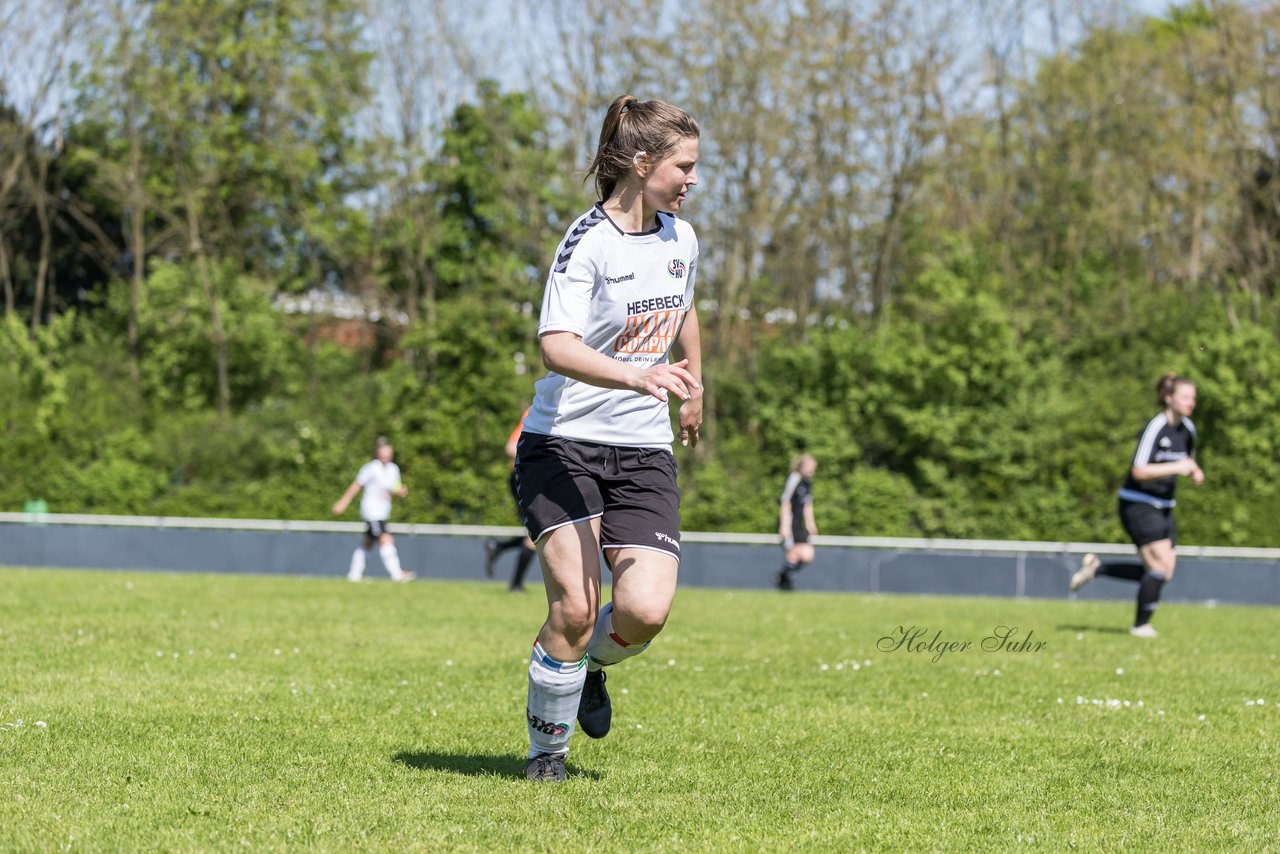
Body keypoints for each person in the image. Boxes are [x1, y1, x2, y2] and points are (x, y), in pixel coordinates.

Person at [516, 94, 703, 783]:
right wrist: (635, 377)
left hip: (644, 450)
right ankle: (547, 757)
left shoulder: (681, 238)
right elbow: (554, 347)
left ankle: (592, 666)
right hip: (563, 443)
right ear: (642, 162)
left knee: (645, 610)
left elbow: (682, 311)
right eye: (684, 166)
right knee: (573, 605)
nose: (692, 180)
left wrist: (693, 388)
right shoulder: (587, 242)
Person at [1070, 373, 1204, 636]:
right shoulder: (1156, 426)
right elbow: (1138, 471)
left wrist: (1194, 471)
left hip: (1165, 505)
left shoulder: (1188, 429)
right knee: (1159, 567)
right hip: (1138, 503)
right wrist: (1176, 467)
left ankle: (1099, 567)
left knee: (1163, 571)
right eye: (1186, 397)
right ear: (1169, 398)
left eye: (1194, 398)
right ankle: (1141, 626)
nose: (1191, 403)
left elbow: (1188, 461)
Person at [331, 436, 416, 583]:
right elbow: (356, 485)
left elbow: (393, 488)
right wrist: (343, 502)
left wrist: (400, 491)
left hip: (383, 512)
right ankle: (397, 575)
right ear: (377, 452)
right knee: (386, 539)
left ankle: (354, 575)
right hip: (372, 512)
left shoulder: (393, 469)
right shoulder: (371, 468)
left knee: (368, 543)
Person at [484, 407, 539, 591]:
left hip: (537, 480)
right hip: (527, 478)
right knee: (537, 531)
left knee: (541, 531)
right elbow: (510, 447)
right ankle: (516, 585)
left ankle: (499, 547)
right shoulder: (537, 409)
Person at [775, 454, 818, 591]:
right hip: (790, 522)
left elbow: (807, 505)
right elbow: (785, 502)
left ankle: (783, 577)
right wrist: (784, 525)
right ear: (802, 466)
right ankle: (785, 582)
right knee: (796, 553)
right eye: (810, 467)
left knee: (806, 555)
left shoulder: (807, 482)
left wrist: (811, 524)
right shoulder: (794, 479)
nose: (812, 471)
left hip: (800, 524)